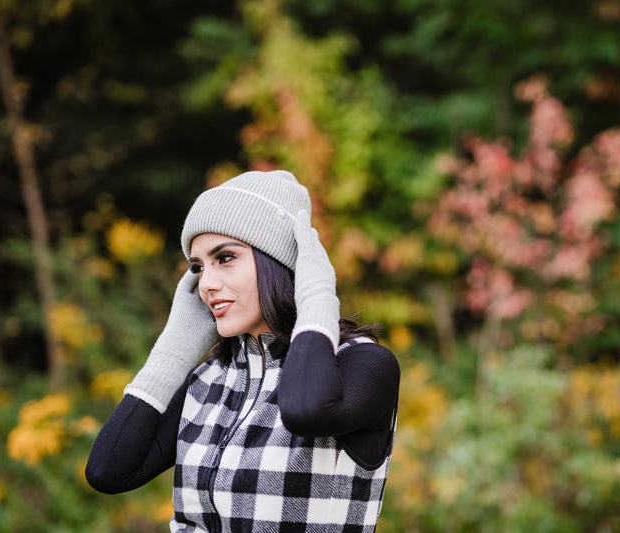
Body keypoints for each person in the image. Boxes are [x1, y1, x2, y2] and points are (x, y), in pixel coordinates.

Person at [86, 170, 401, 532]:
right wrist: (173, 350)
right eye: (197, 267)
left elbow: (304, 411)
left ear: (279, 262)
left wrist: (315, 295)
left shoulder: (362, 365)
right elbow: (108, 471)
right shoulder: (208, 382)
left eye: (224, 258)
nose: (206, 284)